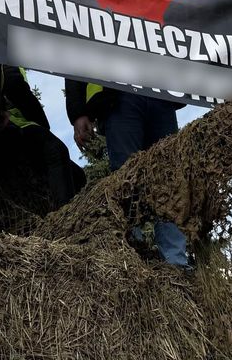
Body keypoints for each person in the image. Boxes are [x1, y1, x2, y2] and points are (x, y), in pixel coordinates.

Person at [66, 81, 189, 266]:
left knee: (169, 176)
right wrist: (78, 112)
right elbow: (75, 55)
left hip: (160, 93)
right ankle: (133, 257)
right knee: (127, 179)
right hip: (117, 94)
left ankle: (176, 262)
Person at [0, 66, 85, 209]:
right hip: (11, 123)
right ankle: (64, 215)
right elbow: (14, 84)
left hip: (17, 124)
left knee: (77, 175)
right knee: (56, 150)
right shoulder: (4, 51)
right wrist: (41, 122)